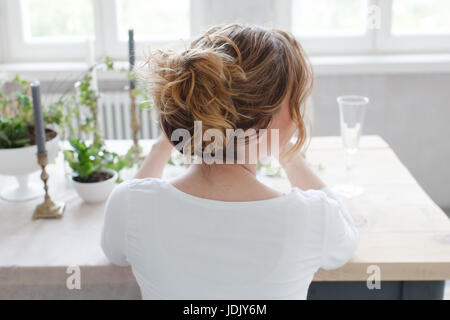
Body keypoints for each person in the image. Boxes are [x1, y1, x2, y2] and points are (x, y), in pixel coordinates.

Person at [101, 24, 358, 299]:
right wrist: (286, 154)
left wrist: (168, 140)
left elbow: (115, 253)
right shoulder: (312, 217)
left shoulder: (131, 204)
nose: (296, 117)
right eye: (293, 103)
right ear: (261, 123)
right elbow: (346, 243)